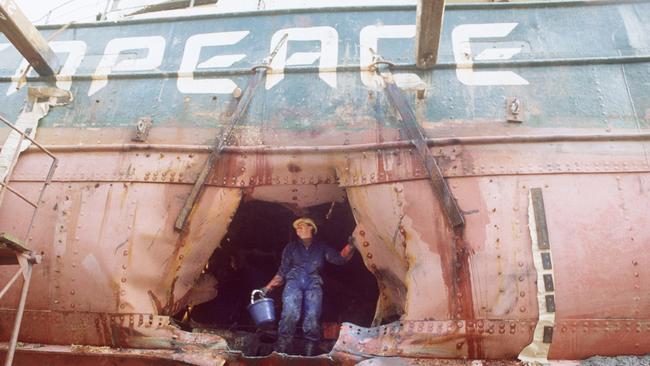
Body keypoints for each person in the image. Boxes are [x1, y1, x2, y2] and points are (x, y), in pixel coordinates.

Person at [258, 217, 356, 356]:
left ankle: (309, 352)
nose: (298, 228)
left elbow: (340, 258)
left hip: (313, 284)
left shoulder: (321, 247)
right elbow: (282, 272)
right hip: (293, 283)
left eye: (302, 225)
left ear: (311, 228)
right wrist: (267, 287)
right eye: (296, 227)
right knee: (290, 314)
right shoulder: (291, 247)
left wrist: (350, 246)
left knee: (312, 317)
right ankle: (282, 349)